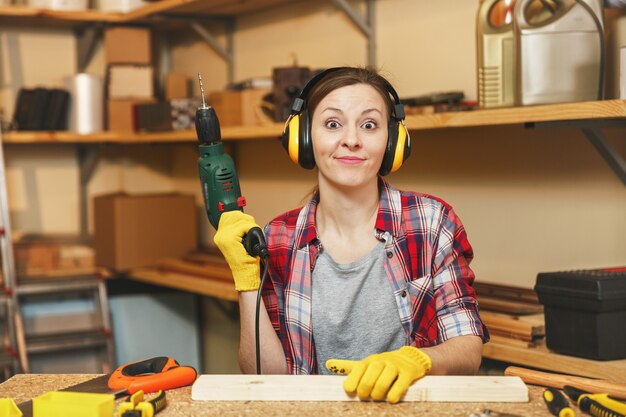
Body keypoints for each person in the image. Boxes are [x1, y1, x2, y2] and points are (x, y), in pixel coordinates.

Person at [214, 66, 489, 404]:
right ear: (302, 138)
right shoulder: (277, 239)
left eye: (369, 125)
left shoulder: (432, 222)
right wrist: (247, 282)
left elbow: (468, 350)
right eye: (332, 124)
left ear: (393, 142)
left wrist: (420, 361)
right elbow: (267, 378)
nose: (352, 140)